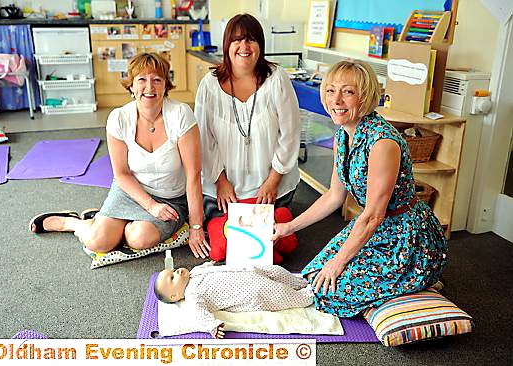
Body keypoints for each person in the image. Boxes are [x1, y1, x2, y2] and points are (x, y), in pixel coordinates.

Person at [272, 60, 447, 317]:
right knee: (314, 275)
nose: (336, 100)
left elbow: (374, 215)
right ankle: (396, 287)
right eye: (331, 90)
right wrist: (288, 227)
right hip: (373, 226)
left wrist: (339, 262)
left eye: (348, 92)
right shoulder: (343, 134)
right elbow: (334, 196)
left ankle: (418, 281)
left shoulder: (383, 142)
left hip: (405, 237)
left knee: (330, 292)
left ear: (364, 97)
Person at [29, 53, 210, 259]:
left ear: (165, 86)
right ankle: (72, 222)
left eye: (157, 80)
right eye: (142, 79)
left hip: (171, 199)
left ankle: (107, 221)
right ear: (131, 86)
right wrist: (150, 206)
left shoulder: (180, 114)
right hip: (131, 191)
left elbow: (194, 174)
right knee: (99, 242)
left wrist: (196, 226)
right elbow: (122, 174)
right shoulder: (119, 118)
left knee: (139, 239)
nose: (149, 87)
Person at [194, 13, 301, 263]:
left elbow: (290, 132)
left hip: (272, 186)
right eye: (237, 40)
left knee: (275, 241)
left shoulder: (277, 78)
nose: (244, 47)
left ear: (261, 46)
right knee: (228, 245)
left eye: (251, 40)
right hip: (223, 189)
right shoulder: (209, 85)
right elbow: (203, 139)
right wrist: (220, 180)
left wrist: (273, 181)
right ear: (227, 45)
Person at [154, 262, 314, 338]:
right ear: (175, 296)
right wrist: (212, 326)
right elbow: (199, 315)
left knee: (277, 271)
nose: (178, 271)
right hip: (253, 293)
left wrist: (209, 264)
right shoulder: (192, 297)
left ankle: (301, 283)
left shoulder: (195, 271)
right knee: (279, 293)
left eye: (174, 270)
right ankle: (308, 295)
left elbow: (206, 267)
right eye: (173, 277)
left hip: (250, 270)